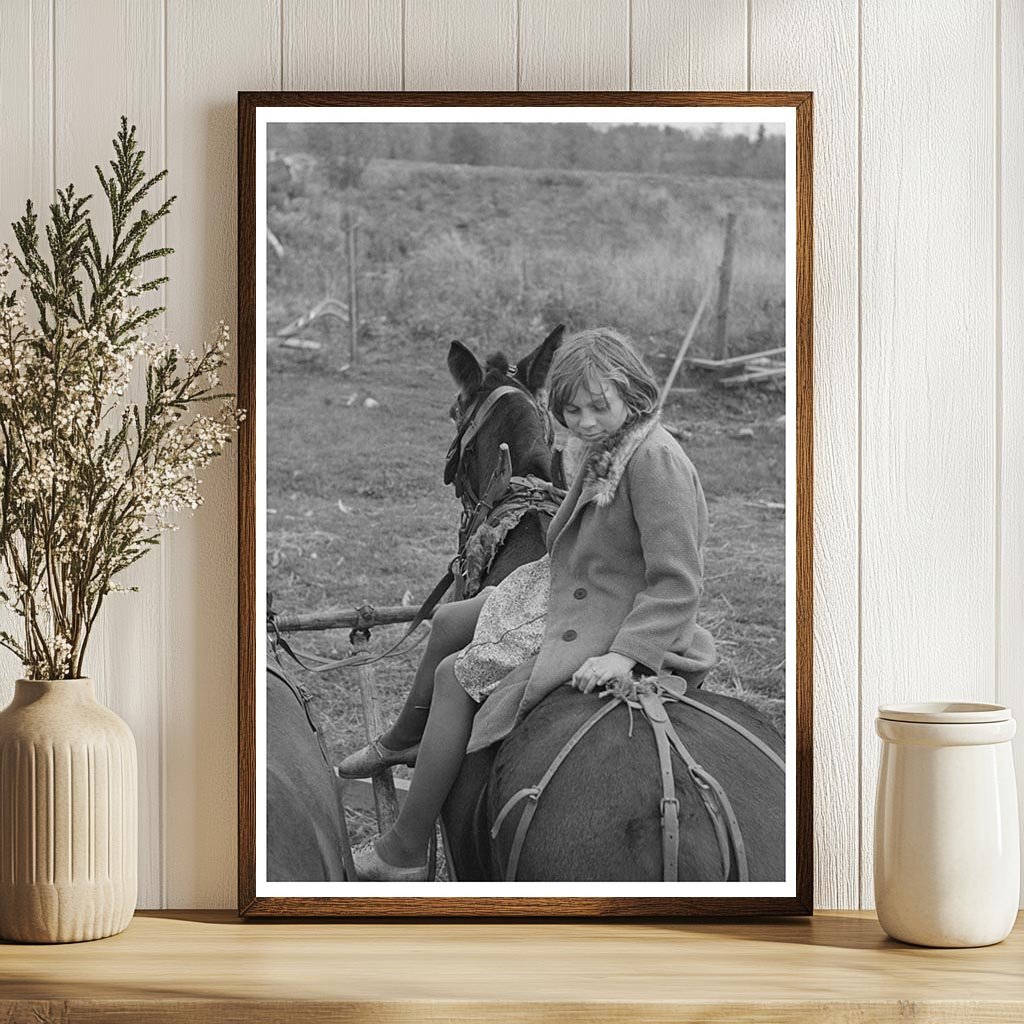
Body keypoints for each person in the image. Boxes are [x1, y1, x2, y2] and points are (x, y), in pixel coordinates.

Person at [342, 327, 717, 881]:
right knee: (448, 619)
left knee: (455, 675)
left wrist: (625, 655)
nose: (584, 421)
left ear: (633, 393)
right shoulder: (610, 443)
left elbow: (678, 582)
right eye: (571, 410)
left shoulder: (655, 461)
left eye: (597, 407)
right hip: (565, 582)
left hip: (609, 611)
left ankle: (405, 848)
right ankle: (402, 740)